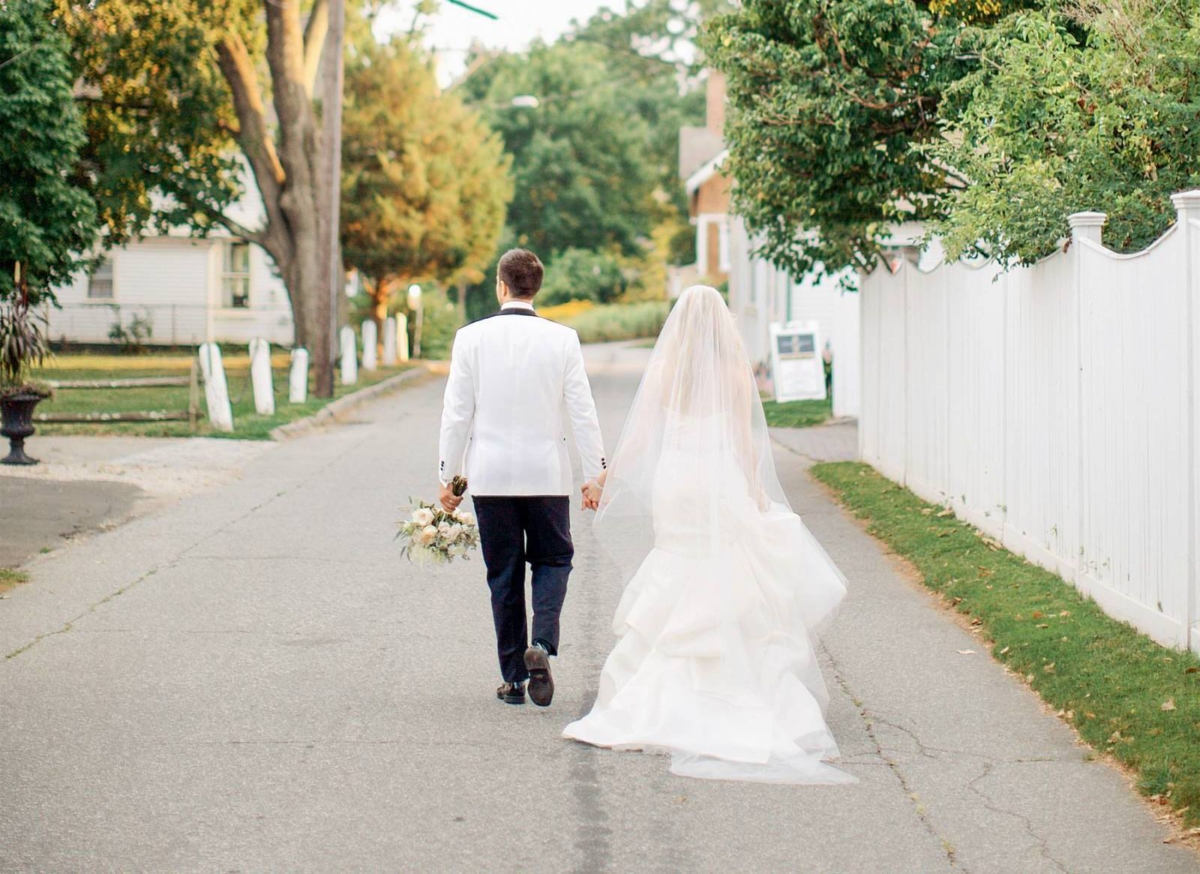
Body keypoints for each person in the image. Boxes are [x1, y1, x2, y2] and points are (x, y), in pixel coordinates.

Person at [563, 285, 854, 784]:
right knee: (724, 569)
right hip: (716, 480)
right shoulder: (734, 372)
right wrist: (755, 496)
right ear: (721, 325)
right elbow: (744, 441)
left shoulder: (666, 371)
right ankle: (730, 682)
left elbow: (637, 440)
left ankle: (654, 692)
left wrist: (602, 480)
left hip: (675, 483)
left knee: (675, 564)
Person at [438, 248, 606, 708]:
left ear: (501, 284)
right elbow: (582, 411)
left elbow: (457, 414)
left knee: (504, 576)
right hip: (546, 475)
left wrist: (449, 477)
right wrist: (597, 473)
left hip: (491, 478)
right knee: (553, 560)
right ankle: (544, 644)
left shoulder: (470, 338)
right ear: (537, 287)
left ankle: (513, 679)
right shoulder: (563, 339)